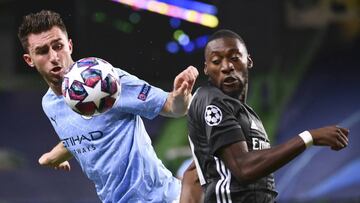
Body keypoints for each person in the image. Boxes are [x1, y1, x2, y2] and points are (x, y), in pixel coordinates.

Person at [18, 10, 199, 202]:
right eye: (42, 51)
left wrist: (180, 97)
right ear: (29, 60)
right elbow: (80, 135)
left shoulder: (108, 81)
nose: (54, 56)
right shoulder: (50, 104)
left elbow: (173, 107)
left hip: (163, 198)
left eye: (58, 46)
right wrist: (52, 157)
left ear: (69, 46)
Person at [187, 29, 350, 203]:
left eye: (234, 58)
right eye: (216, 61)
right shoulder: (211, 100)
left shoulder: (248, 114)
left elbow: (194, 172)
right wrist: (309, 137)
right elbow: (244, 168)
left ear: (248, 60)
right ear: (206, 69)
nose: (226, 67)